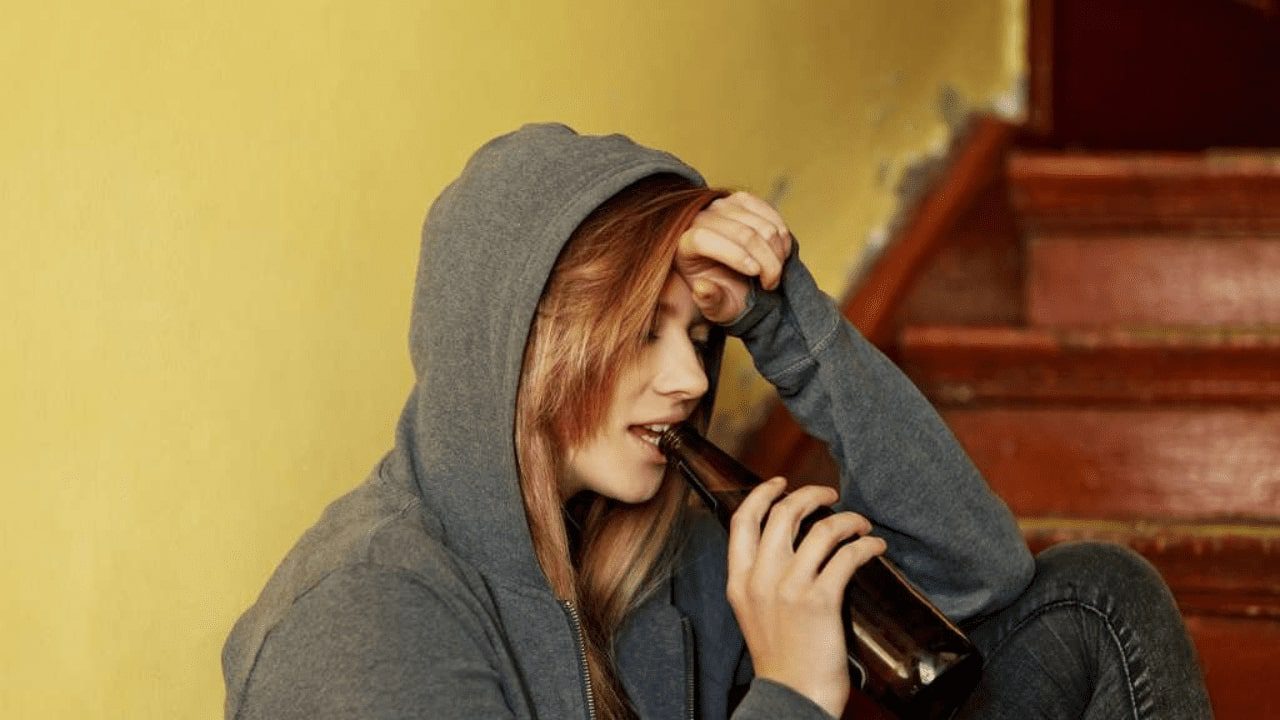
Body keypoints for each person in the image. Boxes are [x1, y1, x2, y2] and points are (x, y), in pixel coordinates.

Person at [222, 124, 1212, 719]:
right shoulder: (358, 623)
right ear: (516, 341)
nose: (690, 379)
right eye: (639, 330)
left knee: (1092, 602)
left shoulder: (661, 545)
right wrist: (785, 693)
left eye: (697, 333)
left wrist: (781, 317)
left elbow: (977, 573)